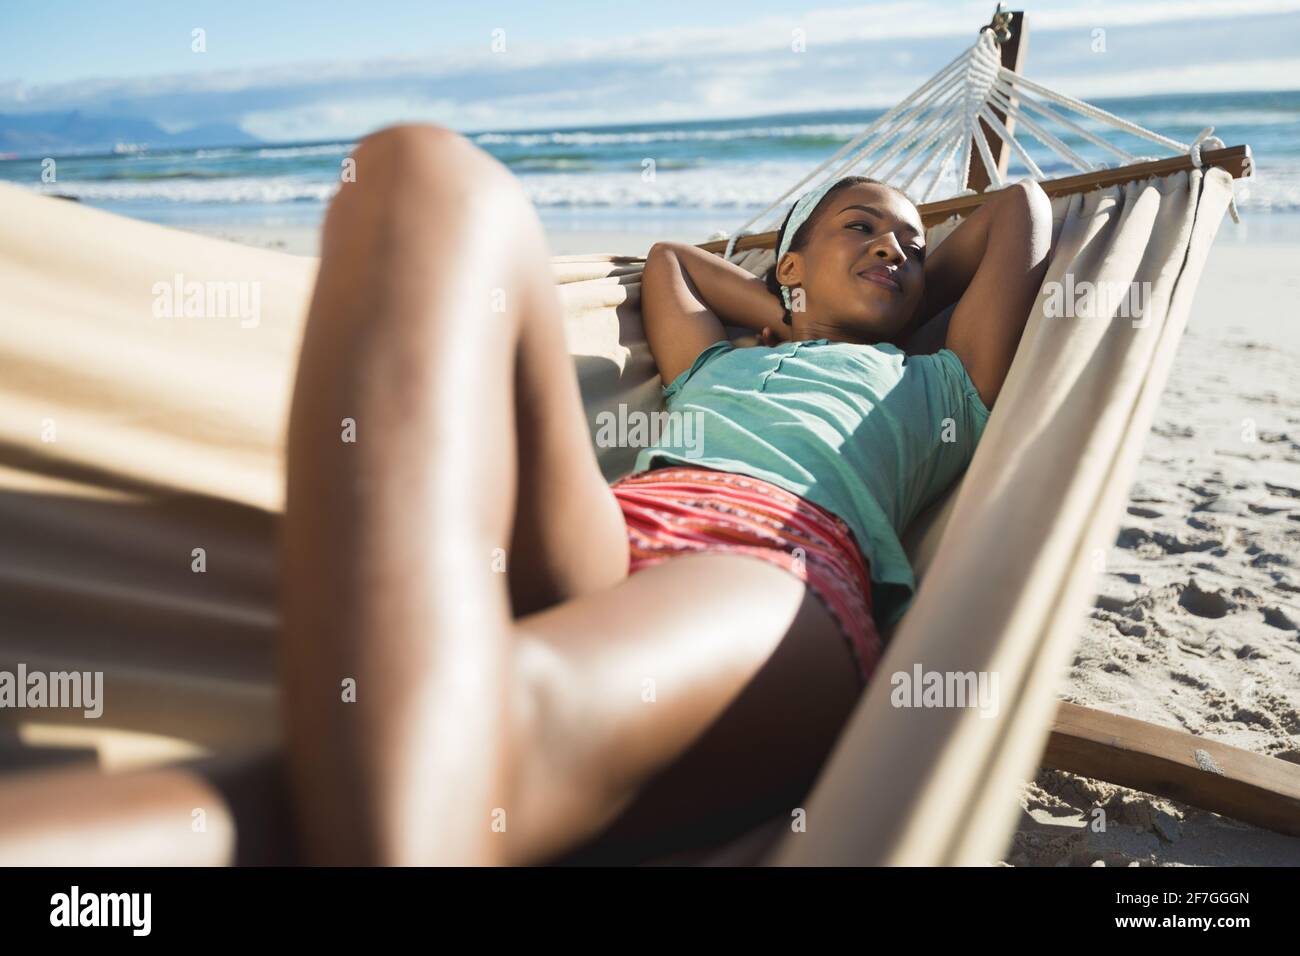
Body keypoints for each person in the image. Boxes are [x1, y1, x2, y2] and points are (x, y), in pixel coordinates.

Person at [278, 124, 1053, 866]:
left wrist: (905, 294)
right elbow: (668, 262)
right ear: (787, 268)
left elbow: (1020, 209)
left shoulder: (934, 384)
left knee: (465, 737)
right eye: (863, 228)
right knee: (419, 174)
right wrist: (800, 310)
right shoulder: (717, 362)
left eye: (915, 246)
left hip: (770, 560)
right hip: (614, 523)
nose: (895, 245)